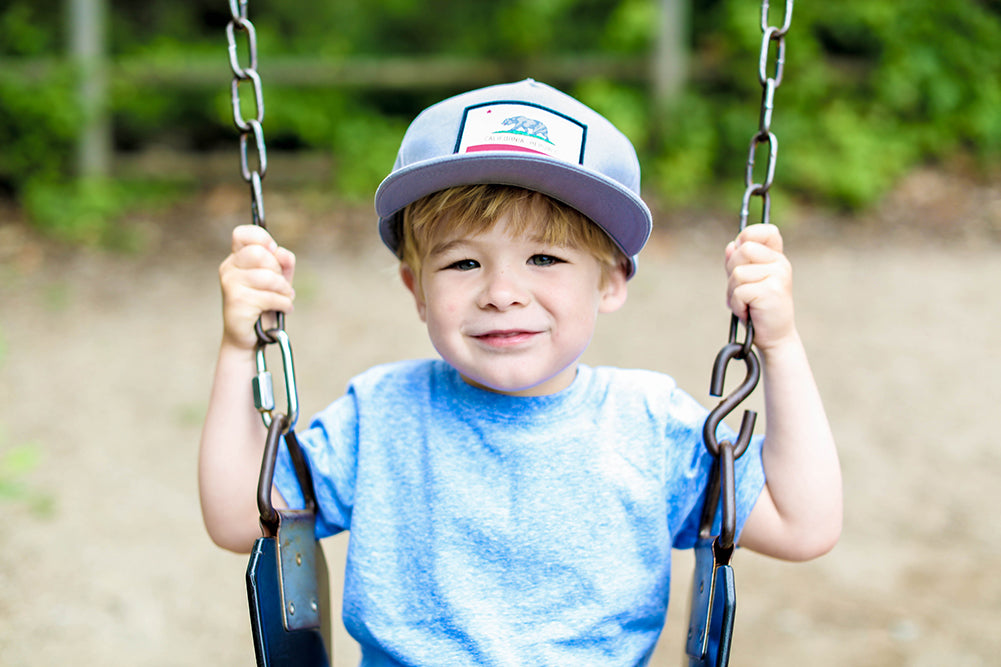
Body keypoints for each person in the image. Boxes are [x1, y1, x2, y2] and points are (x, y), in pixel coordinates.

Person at [199, 79, 841, 665]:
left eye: (544, 257)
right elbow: (240, 520)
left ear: (612, 280)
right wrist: (238, 347)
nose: (503, 293)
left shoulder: (651, 424)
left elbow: (801, 522)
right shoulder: (381, 414)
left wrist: (778, 344)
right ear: (415, 288)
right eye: (463, 265)